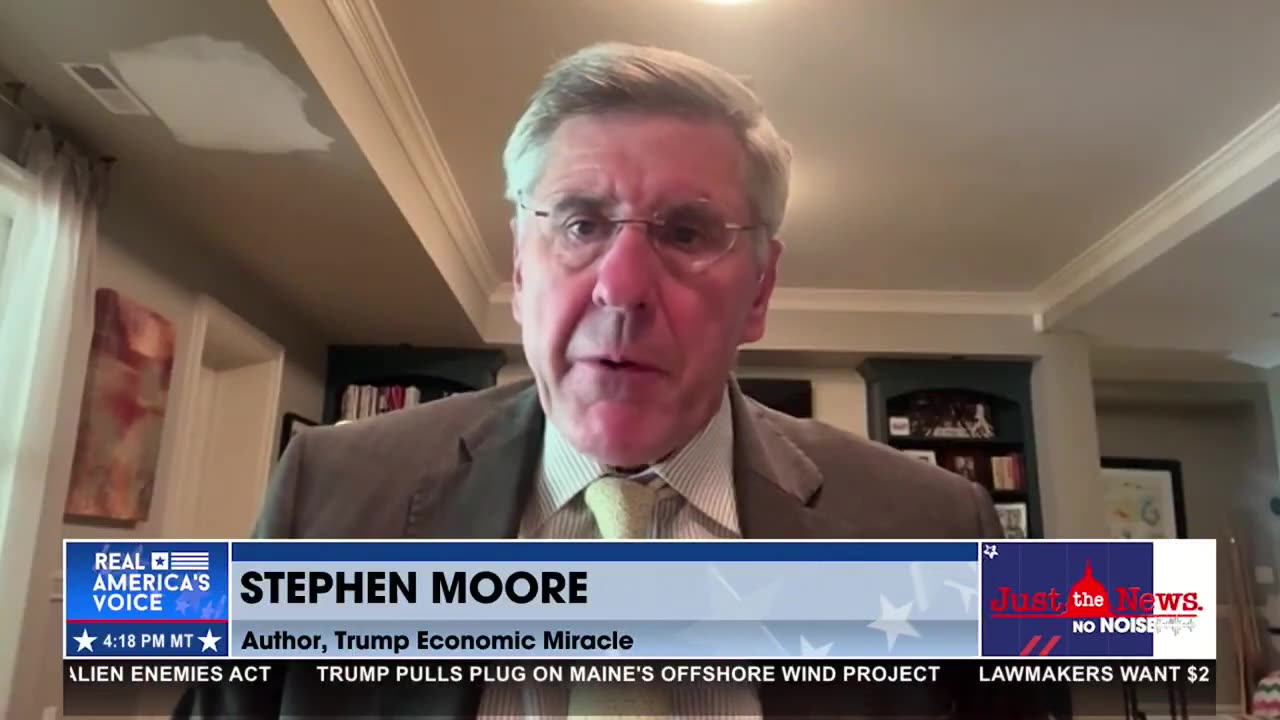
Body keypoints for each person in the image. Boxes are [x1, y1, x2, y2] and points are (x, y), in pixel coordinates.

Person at [175, 42, 1035, 719]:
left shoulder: (932, 531)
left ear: (760, 291)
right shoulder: (328, 494)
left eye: (687, 232)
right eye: (581, 223)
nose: (621, 289)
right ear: (521, 270)